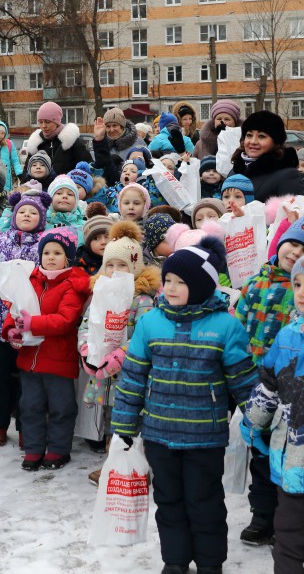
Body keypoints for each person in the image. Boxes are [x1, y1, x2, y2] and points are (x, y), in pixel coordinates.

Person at [112, 237, 257, 574]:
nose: (172, 288)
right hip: (159, 434)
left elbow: (244, 381)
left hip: (203, 437)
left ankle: (209, 563)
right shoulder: (151, 323)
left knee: (204, 502)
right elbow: (133, 378)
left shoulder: (226, 327)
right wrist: (124, 426)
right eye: (169, 281)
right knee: (169, 502)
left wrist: (258, 419)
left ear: (203, 286)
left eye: (182, 282)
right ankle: (175, 560)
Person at [235, 217, 304, 546]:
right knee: (260, 452)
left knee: (289, 453)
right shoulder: (255, 282)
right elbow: (238, 326)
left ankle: (287, 518)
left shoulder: (300, 289)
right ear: (280, 242)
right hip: (255, 380)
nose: (295, 251)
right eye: (292, 242)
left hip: (291, 386)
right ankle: (262, 516)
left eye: (303, 248)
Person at [78, 221, 161, 482]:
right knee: (110, 418)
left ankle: (136, 468)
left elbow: (144, 335)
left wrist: (121, 354)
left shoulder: (143, 299)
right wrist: (86, 349)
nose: (115, 271)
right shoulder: (100, 292)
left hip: (131, 373)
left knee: (132, 418)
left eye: (122, 265)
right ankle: (112, 464)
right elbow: (87, 323)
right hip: (103, 372)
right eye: (110, 264)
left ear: (134, 267)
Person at [2, 227, 90, 471]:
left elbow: (65, 320)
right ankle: (33, 449)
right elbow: (15, 310)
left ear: (68, 257)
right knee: (30, 406)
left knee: (61, 407)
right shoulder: (30, 280)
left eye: (58, 253)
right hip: (30, 359)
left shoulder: (72, 284)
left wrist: (33, 324)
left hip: (59, 359)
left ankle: (59, 449)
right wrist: (11, 330)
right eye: (47, 252)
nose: (51, 257)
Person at [0, 190, 53, 448]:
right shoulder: (0, 241)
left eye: (33, 212)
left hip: (32, 326)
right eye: (22, 211)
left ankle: (26, 428)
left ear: (41, 218)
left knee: (28, 384)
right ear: (14, 214)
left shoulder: (45, 242)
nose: (27, 215)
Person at [230, 110, 304, 202]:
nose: (253, 141)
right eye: (249, 135)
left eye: (261, 136)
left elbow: (295, 213)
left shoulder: (287, 176)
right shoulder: (236, 170)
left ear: (275, 142)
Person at [24, 101, 92, 177]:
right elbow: (26, 172)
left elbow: (87, 169)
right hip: (39, 188)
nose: (43, 126)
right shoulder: (36, 144)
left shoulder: (71, 142)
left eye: (47, 122)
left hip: (67, 187)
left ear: (57, 122)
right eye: (40, 122)